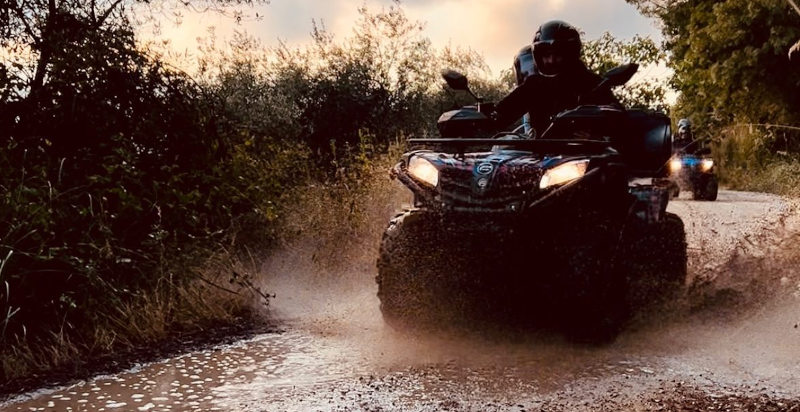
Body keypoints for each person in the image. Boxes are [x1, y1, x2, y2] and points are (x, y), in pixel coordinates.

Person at [492, 20, 621, 137]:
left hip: (584, 155)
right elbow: (501, 114)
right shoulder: (535, 85)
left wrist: (595, 134)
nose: (551, 60)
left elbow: (618, 120)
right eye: (546, 55)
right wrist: (478, 116)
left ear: (570, 54)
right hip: (542, 158)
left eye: (558, 54)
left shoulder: (592, 84)